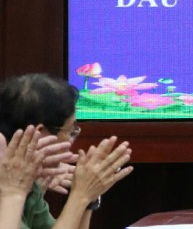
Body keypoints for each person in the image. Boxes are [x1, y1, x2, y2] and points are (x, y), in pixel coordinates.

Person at [0, 74, 132, 229]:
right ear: (40, 133)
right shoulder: (11, 184)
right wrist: (81, 195)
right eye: (71, 131)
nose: (71, 142)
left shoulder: (27, 181)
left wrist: (89, 198)